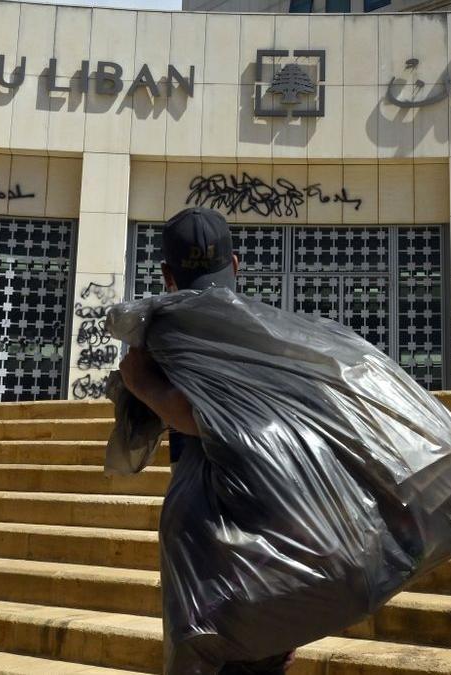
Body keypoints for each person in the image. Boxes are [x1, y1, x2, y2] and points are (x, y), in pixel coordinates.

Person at [117, 207, 296, 675]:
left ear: (167, 273)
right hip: (273, 532)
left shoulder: (163, 334)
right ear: (235, 265)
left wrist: (140, 384)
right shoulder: (272, 333)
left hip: (203, 542)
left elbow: (213, 421)